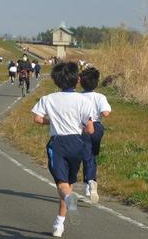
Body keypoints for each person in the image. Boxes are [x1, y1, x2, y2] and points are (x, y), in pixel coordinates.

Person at [32, 62, 94, 238]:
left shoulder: (48, 99)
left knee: (61, 184)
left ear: (56, 81)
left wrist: (51, 122)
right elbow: (90, 129)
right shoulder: (84, 100)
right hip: (77, 143)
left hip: (58, 143)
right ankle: (59, 223)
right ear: (78, 80)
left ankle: (64, 212)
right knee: (68, 185)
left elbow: (37, 118)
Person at [79, 67, 111, 203]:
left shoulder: (78, 97)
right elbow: (106, 113)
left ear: (81, 82)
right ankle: (90, 182)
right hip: (98, 127)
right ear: (96, 83)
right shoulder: (100, 97)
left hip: (83, 127)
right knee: (92, 155)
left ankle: (90, 182)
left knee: (86, 155)